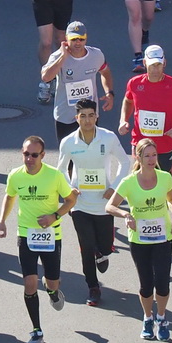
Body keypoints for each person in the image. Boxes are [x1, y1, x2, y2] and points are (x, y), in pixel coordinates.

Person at [0, 134, 79, 343]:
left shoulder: (54, 176)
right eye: (26, 154)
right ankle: (36, 330)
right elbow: (10, 196)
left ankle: (52, 290)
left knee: (52, 282)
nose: (29, 158)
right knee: (29, 282)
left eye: (34, 155)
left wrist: (54, 217)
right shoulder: (15, 175)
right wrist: (1, 221)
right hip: (26, 234)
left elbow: (71, 199)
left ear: (42, 155)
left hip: (51, 235)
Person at [56, 95, 127, 307]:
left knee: (104, 245)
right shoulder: (68, 142)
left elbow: (125, 162)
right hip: (80, 204)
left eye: (91, 116)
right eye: (83, 116)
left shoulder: (108, 138)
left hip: (104, 204)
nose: (87, 120)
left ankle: (102, 252)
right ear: (76, 118)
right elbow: (60, 170)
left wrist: (114, 188)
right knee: (86, 245)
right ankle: (93, 286)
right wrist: (70, 189)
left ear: (97, 116)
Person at [108, 138, 172, 338]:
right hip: (139, 239)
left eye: (154, 155)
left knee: (163, 282)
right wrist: (125, 215)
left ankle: (161, 316)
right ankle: (148, 318)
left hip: (162, 237)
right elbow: (110, 206)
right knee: (146, 283)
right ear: (138, 157)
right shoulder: (129, 182)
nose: (151, 159)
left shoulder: (165, 177)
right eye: (147, 155)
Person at [120, 44, 172, 172]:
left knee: (164, 189)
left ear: (164, 63)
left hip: (165, 148)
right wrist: (123, 120)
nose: (155, 69)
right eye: (152, 65)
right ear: (144, 63)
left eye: (158, 65)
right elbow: (127, 101)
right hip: (141, 145)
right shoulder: (134, 83)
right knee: (139, 187)